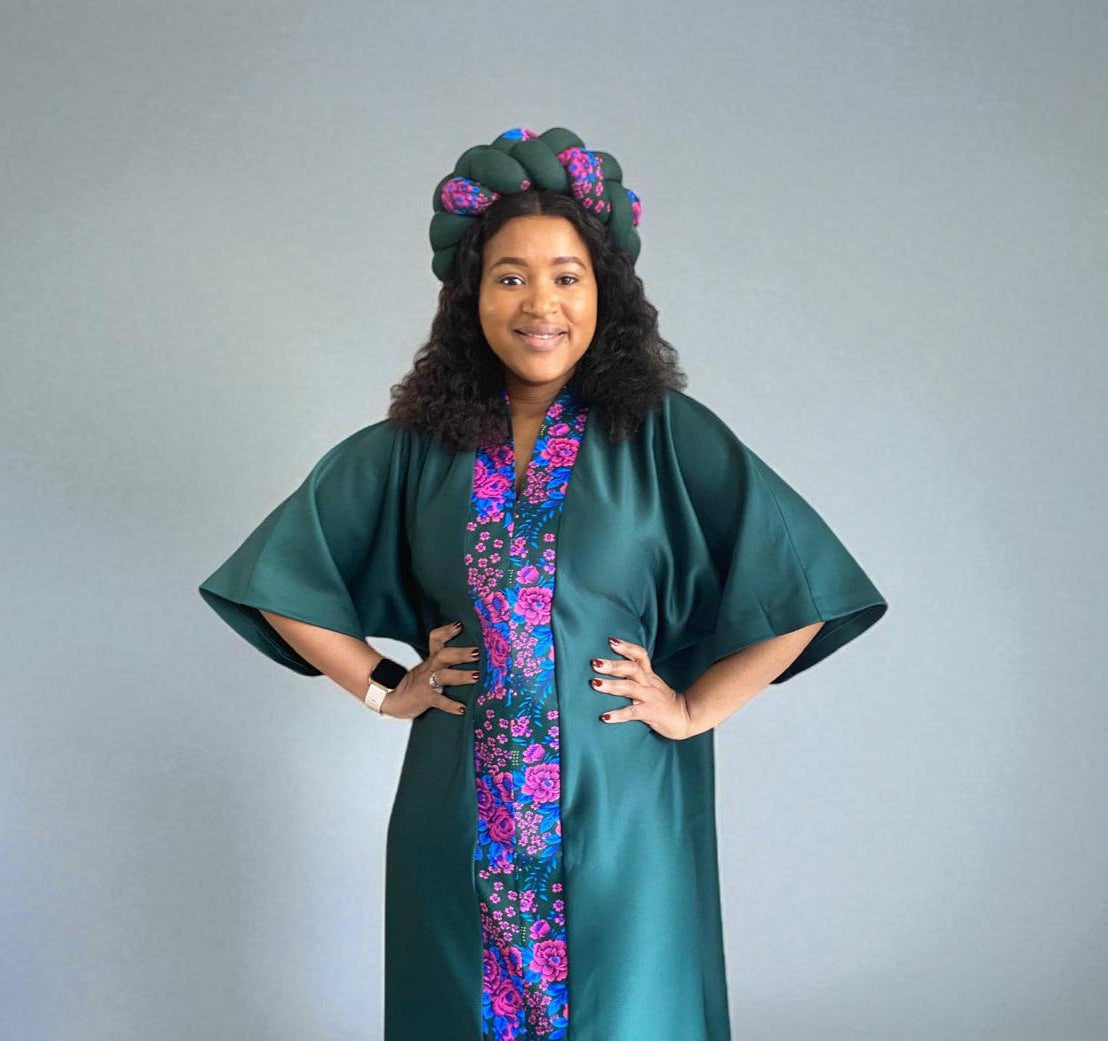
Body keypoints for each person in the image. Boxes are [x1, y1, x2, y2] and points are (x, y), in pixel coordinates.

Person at [198, 125, 888, 1041]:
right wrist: (378, 687)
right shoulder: (415, 449)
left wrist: (692, 709)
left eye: (567, 275)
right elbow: (278, 574)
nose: (541, 303)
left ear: (604, 293)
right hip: (460, 823)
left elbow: (804, 575)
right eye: (510, 276)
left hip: (625, 819)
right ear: (471, 296)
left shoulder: (665, 438)